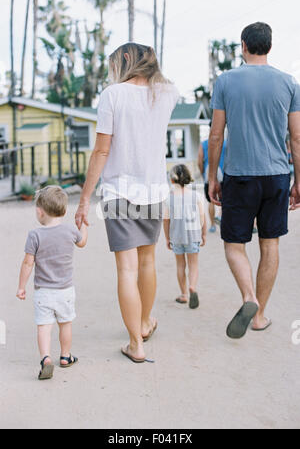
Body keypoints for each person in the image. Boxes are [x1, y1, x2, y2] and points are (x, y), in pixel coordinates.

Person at [75, 43, 179, 363]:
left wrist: (82, 201)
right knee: (147, 262)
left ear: (123, 60)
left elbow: (102, 151)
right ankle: (145, 323)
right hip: (154, 191)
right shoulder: (166, 94)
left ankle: (136, 343)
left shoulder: (112, 95)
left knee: (126, 269)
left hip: (120, 192)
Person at [208, 22, 300, 339]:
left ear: (244, 45)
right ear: (269, 46)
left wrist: (212, 177)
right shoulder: (289, 83)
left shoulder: (225, 81)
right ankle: (259, 315)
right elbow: (297, 138)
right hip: (276, 174)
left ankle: (248, 296)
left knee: (234, 244)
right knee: (269, 243)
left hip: (239, 175)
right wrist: (298, 181)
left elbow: (216, 134)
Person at [17, 186, 88, 380]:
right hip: (65, 290)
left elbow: (27, 263)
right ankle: (65, 356)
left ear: (40, 212)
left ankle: (46, 358)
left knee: (44, 327)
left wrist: (21, 287)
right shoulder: (70, 230)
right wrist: (84, 225)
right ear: (64, 211)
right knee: (65, 324)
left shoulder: (35, 235)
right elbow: (82, 243)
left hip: (43, 292)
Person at [163, 165, 207, 309]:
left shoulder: (169, 199)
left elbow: (166, 220)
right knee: (193, 265)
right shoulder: (196, 196)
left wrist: (167, 238)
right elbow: (202, 216)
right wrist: (204, 233)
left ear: (172, 180)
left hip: (176, 237)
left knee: (180, 265)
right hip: (193, 236)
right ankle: (192, 287)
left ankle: (183, 295)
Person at [198, 130, 226, 233]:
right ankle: (222, 218)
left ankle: (213, 225)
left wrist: (203, 174)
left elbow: (199, 161)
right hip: (223, 174)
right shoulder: (225, 142)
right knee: (224, 199)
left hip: (209, 174)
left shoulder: (204, 144)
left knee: (211, 201)